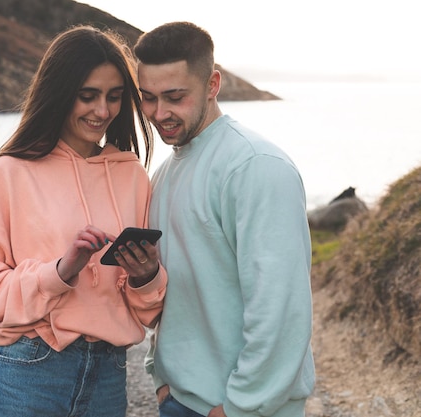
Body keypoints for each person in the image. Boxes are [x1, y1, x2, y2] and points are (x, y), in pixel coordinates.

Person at [0, 25, 167, 417]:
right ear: (60, 92)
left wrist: (145, 276)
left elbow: (148, 312)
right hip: (31, 374)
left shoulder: (132, 176)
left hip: (108, 377)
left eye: (114, 97)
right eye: (88, 96)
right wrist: (60, 271)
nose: (102, 111)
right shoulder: (11, 173)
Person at [132, 22, 315, 417]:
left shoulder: (256, 166)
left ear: (213, 84)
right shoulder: (164, 174)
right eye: (147, 98)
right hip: (180, 400)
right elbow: (177, 294)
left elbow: (280, 308)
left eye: (175, 97)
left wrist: (239, 407)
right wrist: (160, 377)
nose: (159, 113)